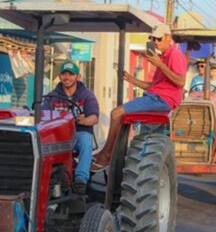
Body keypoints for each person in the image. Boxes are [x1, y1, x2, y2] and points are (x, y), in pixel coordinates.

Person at [91, 23, 187, 171]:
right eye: (153, 39)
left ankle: (107, 155)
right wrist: (131, 79)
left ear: (168, 37)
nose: (155, 42)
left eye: (159, 39)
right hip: (155, 96)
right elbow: (153, 86)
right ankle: (109, 152)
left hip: (161, 100)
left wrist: (160, 65)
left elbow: (181, 82)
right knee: (120, 116)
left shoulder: (175, 54)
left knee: (116, 114)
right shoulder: (164, 57)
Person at [42, 61, 99, 194]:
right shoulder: (51, 97)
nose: (67, 77)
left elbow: (94, 118)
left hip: (78, 134)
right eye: (64, 74)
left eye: (71, 74)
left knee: (86, 139)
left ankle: (80, 179)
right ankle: (45, 179)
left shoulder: (86, 95)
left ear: (77, 77)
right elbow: (43, 115)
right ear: (60, 76)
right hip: (58, 136)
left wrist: (84, 121)